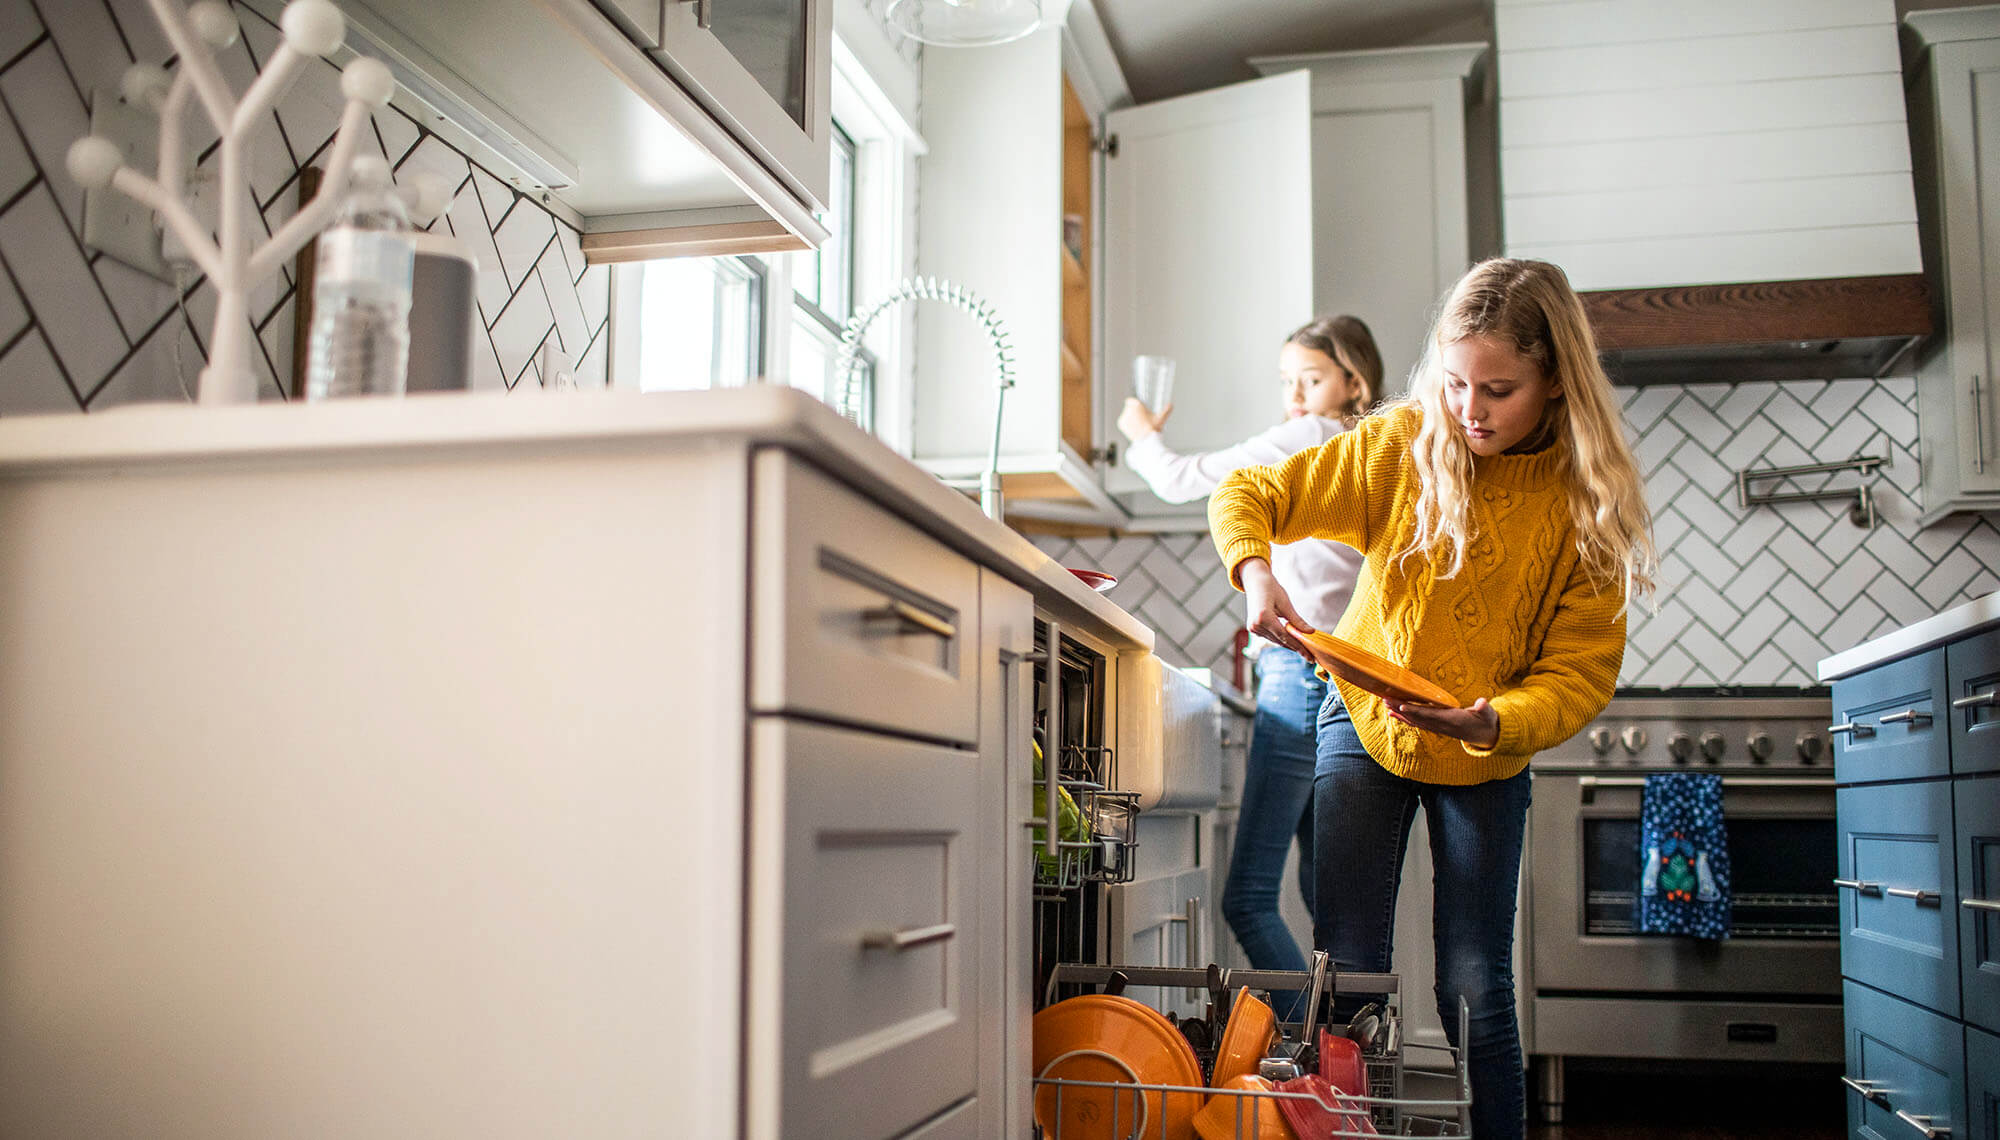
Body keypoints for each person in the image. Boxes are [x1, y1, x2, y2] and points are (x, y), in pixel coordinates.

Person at [1207, 259, 1657, 1140]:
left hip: (1487, 747)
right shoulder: (1402, 442)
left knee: (1474, 984)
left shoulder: (1583, 503)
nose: (1469, 410)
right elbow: (1251, 492)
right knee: (1349, 973)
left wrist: (1495, 721)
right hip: (1362, 722)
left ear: (1555, 382)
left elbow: (1579, 673)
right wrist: (1255, 572)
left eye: (1498, 390)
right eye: (1454, 383)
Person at [1116, 316, 1382, 979]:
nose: (1295, 396)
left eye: (1312, 379)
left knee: (1249, 898)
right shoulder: (1368, 451)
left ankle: (1309, 1053)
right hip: (1349, 681)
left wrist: (1144, 435)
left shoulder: (1309, 438)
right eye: (1287, 381)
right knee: (1332, 905)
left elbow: (1181, 481)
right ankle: (1341, 1061)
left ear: (1356, 380)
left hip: (1299, 674)